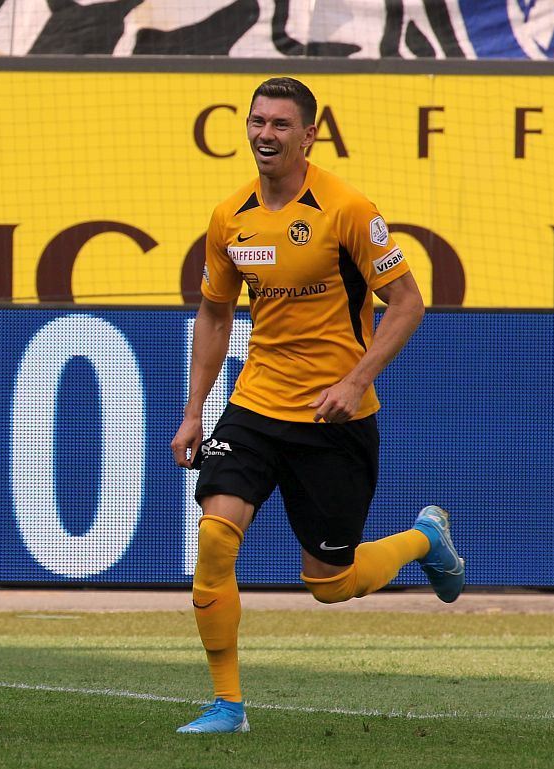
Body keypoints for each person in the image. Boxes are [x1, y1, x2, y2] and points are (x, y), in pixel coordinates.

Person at [170, 77, 464, 734]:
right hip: (255, 405)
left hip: (334, 417)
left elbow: (408, 303)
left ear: (308, 136)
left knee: (331, 583)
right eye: (257, 121)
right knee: (215, 539)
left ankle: (425, 538)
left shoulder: (348, 209)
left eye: (280, 125)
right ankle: (228, 705)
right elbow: (214, 314)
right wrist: (193, 412)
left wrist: (355, 382)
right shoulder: (230, 215)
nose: (264, 134)